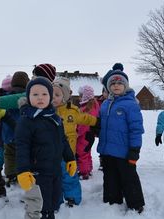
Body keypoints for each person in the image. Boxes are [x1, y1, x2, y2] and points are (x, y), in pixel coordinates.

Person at [15, 77, 76, 219]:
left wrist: (70, 158)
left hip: (55, 171)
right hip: (37, 174)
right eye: (35, 94)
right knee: (38, 207)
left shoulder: (55, 119)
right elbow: (22, 147)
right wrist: (23, 171)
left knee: (53, 204)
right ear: (28, 97)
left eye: (44, 94)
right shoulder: (26, 121)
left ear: (50, 97)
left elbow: (63, 140)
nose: (40, 98)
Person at [97, 65, 145, 213]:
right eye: (112, 83)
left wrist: (134, 150)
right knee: (110, 176)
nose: (116, 86)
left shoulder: (131, 105)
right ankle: (112, 199)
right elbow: (101, 124)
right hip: (107, 150)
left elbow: (136, 129)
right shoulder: (105, 104)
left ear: (125, 85)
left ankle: (135, 203)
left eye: (119, 83)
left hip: (124, 152)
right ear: (108, 87)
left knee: (129, 178)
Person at [52, 77, 97, 207]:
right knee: (54, 178)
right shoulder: (46, 111)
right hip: (50, 153)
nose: (53, 98)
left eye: (57, 95)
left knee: (70, 176)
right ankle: (56, 199)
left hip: (68, 153)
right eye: (52, 94)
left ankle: (73, 197)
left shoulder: (72, 111)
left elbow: (84, 118)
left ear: (65, 96)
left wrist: (96, 122)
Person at [2, 71, 30, 187]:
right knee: (24, 155)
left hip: (8, 133)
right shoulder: (28, 98)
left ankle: (10, 175)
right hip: (24, 134)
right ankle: (24, 173)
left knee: (9, 155)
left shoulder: (7, 97)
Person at [76, 85, 100, 180]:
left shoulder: (86, 110)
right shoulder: (94, 106)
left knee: (81, 154)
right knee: (87, 152)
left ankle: (83, 172)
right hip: (90, 135)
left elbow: (83, 125)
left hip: (84, 136)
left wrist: (77, 133)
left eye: (80, 95)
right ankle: (88, 169)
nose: (79, 97)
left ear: (85, 96)